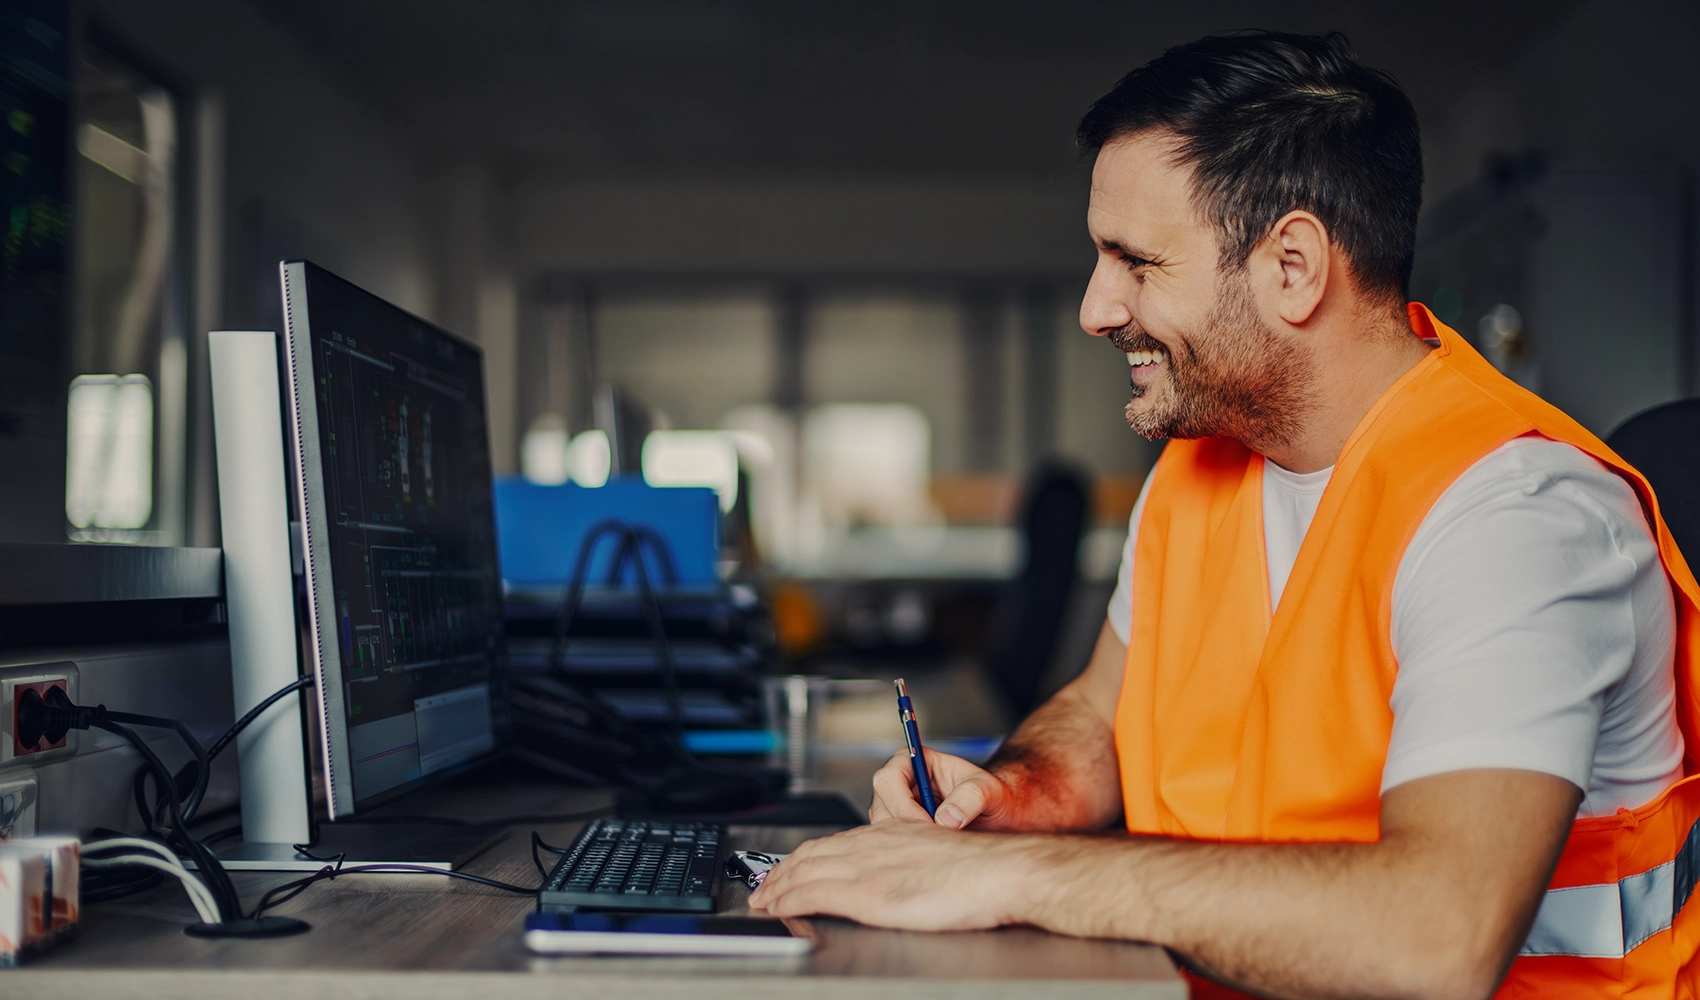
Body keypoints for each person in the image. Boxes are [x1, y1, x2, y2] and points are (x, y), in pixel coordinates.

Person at [749, 31, 1700, 1000]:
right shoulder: (1198, 469)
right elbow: (1103, 712)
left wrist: (1005, 874)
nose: (1093, 307)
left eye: (1134, 261)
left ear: (1291, 266)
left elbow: (1434, 938)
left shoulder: (1513, 515)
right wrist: (1011, 794)